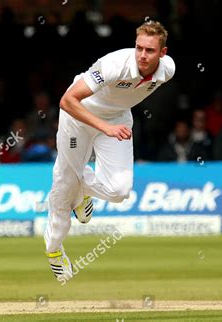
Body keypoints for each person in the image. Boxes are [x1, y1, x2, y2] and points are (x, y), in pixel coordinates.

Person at [44, 21, 175, 282]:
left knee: (120, 191)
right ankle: (54, 250)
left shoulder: (168, 69)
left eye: (150, 50)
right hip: (78, 116)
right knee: (65, 181)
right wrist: (105, 127)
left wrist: (110, 126)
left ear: (162, 53)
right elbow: (68, 100)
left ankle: (81, 192)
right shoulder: (114, 64)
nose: (142, 55)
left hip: (117, 120)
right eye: (139, 48)